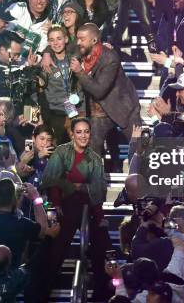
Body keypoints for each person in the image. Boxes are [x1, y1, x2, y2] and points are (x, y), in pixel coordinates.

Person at [40, 117, 112, 301]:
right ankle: (41, 293)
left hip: (88, 206)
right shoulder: (61, 152)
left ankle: (101, 295)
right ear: (72, 134)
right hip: (63, 206)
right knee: (55, 249)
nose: (83, 136)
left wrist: (71, 184)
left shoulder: (95, 159)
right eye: (78, 132)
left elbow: (97, 190)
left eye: (86, 131)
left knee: (101, 244)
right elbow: (51, 181)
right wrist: (71, 188)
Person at [70, 23, 141, 169]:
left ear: (94, 40)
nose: (78, 43)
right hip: (99, 110)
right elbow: (62, 48)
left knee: (139, 146)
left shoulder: (110, 58)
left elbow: (99, 90)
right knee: (92, 147)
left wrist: (79, 72)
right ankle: (94, 183)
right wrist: (46, 54)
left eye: (82, 39)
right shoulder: (80, 51)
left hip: (123, 107)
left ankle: (141, 179)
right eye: (77, 39)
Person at [0, 177, 56, 268]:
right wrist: (36, 198)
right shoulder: (22, 224)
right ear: (14, 200)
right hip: (11, 279)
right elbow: (43, 230)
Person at [36, 25, 84, 143]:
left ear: (66, 39)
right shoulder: (45, 64)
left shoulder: (75, 58)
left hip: (76, 111)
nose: (56, 43)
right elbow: (37, 90)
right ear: (48, 43)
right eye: (52, 40)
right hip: (56, 114)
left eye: (59, 38)